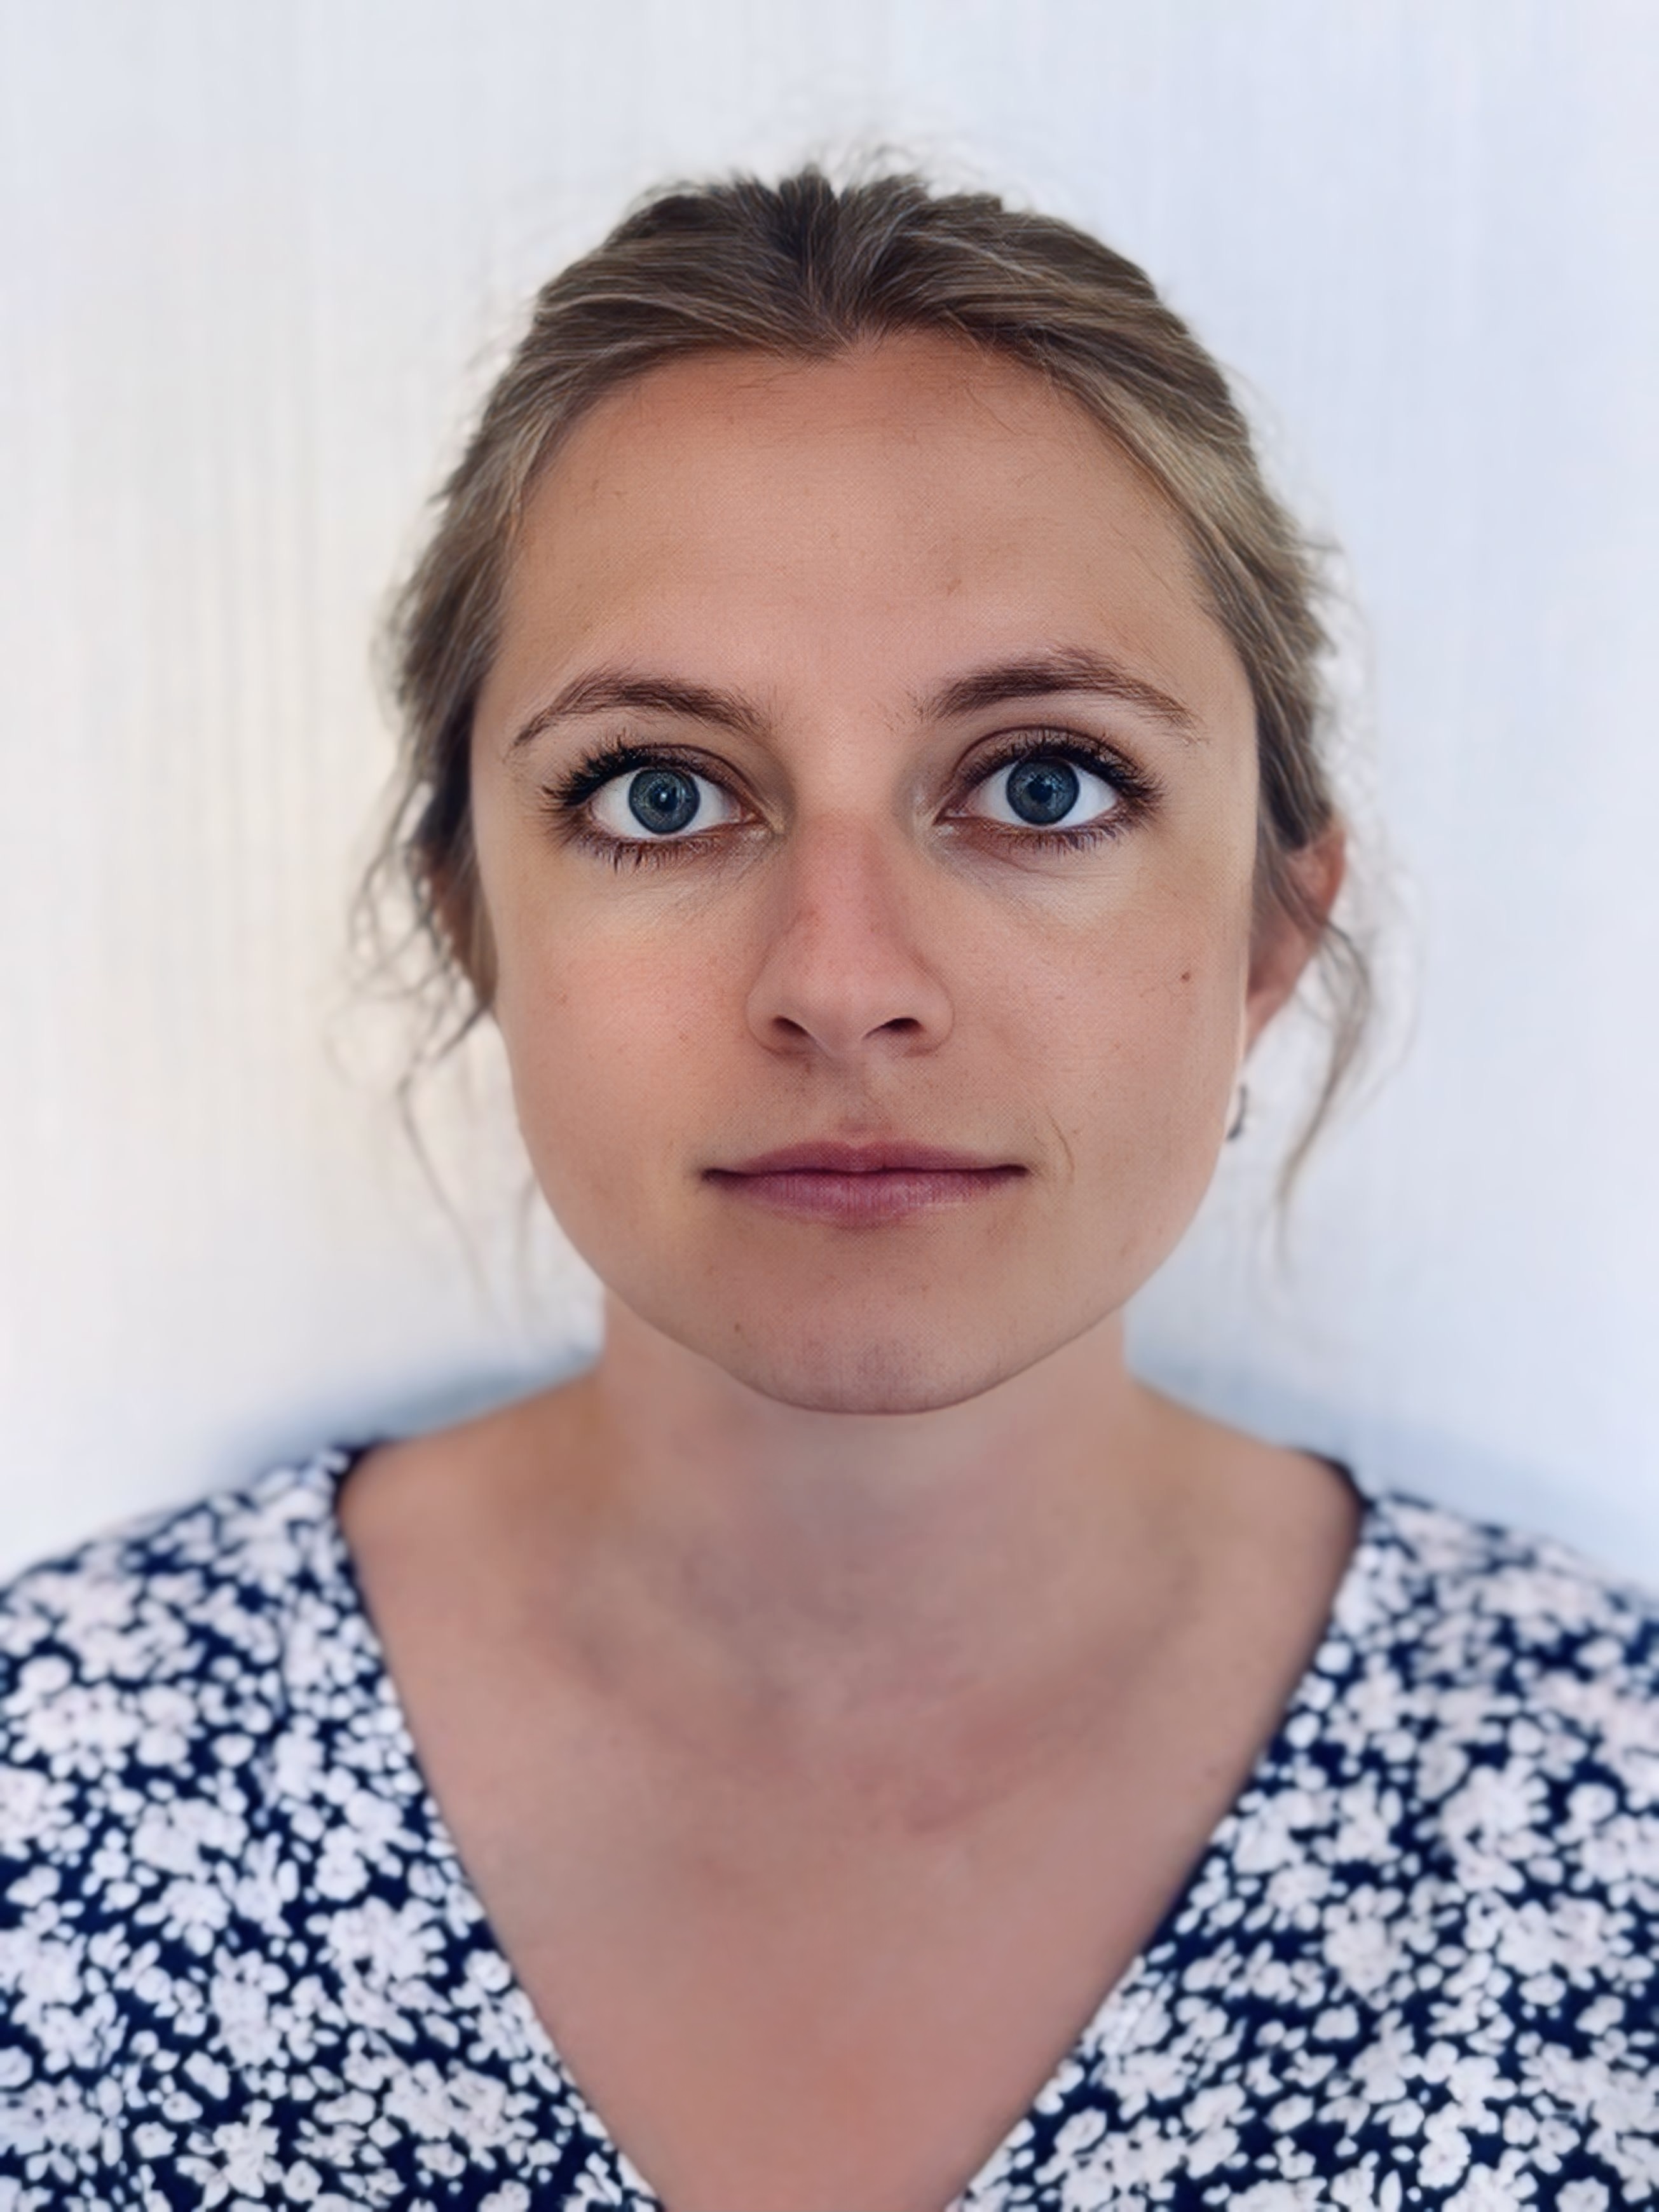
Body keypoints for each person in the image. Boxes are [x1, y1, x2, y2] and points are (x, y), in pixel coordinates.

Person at [1, 165, 1654, 2212]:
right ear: (470, 923)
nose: (843, 980)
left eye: (1042, 781)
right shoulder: (56, 1793)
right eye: (660, 794)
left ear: (1267, 929)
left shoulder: (1609, 1823)